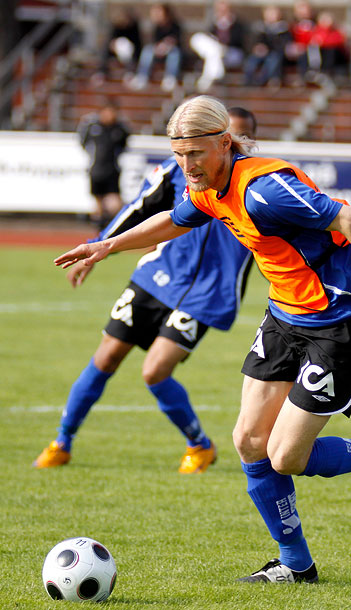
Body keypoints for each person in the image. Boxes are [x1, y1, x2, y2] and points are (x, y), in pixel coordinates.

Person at [54, 95, 351, 584]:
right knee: (249, 441)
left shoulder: (264, 190)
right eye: (179, 155)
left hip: (338, 321)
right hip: (284, 317)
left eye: (195, 153)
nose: (186, 165)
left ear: (223, 143)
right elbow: (175, 219)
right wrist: (108, 244)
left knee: (286, 457)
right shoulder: (209, 187)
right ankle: (296, 565)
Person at [34, 107, 258, 473]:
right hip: (158, 277)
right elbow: (139, 208)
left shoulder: (259, 182)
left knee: (154, 371)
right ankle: (62, 441)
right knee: (105, 357)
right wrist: (98, 247)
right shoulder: (177, 171)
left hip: (208, 294)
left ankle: (199, 445)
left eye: (241, 137)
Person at [77, 98, 130, 229]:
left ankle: (119, 227)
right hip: (96, 170)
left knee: (115, 203)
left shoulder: (119, 129)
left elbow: (124, 145)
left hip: (112, 170)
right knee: (98, 203)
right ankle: (100, 232)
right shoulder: (92, 127)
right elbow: (83, 142)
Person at [190, 1, 249, 92]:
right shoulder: (214, 23)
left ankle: (206, 81)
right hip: (217, 50)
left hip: (232, 52)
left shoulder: (237, 24)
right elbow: (209, 37)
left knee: (213, 52)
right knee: (199, 39)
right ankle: (216, 74)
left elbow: (238, 41)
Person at [129, 3, 183, 92]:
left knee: (174, 52)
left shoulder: (175, 26)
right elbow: (154, 42)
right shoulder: (156, 27)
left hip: (171, 53)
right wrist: (159, 48)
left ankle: (170, 78)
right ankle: (142, 76)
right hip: (158, 53)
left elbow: (177, 41)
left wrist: (167, 45)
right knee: (148, 49)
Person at [243, 5, 292, 87]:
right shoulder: (260, 27)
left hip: (275, 53)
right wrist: (257, 47)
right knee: (251, 62)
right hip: (260, 53)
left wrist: (268, 49)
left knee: (272, 60)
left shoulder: (283, 29)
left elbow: (283, 45)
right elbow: (252, 41)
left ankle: (263, 80)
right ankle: (249, 80)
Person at [93, 8, 142, 86]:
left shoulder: (133, 27)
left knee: (127, 47)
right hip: (115, 50)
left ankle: (130, 72)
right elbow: (110, 41)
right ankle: (101, 72)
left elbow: (137, 43)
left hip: (130, 53)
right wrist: (114, 46)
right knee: (104, 50)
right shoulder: (115, 26)